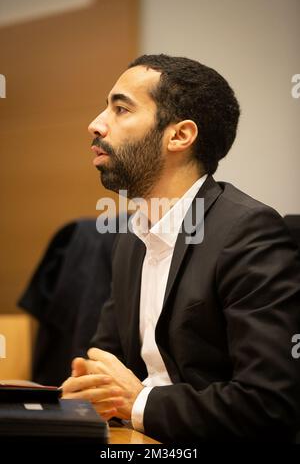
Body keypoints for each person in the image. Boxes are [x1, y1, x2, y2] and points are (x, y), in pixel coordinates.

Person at [62, 54, 300, 442]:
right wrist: (84, 392)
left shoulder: (248, 232)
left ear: (179, 136)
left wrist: (138, 401)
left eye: (121, 109)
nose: (96, 123)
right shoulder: (130, 238)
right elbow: (106, 364)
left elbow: (269, 404)